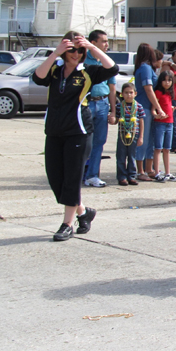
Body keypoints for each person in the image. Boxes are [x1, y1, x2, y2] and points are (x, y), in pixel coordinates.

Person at [32, 31, 118, 241]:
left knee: (71, 178)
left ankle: (67, 224)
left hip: (78, 132)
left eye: (79, 51)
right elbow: (37, 77)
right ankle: (83, 212)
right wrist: (55, 53)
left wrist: (91, 47)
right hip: (54, 131)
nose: (75, 54)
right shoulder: (55, 70)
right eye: (72, 50)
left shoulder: (88, 71)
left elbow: (112, 67)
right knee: (56, 179)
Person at [83, 30, 116, 188]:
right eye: (103, 41)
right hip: (86, 104)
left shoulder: (107, 61)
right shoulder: (83, 59)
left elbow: (112, 87)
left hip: (102, 104)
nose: (106, 44)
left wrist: (113, 110)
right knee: (84, 142)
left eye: (107, 41)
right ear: (93, 43)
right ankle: (80, 173)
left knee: (99, 142)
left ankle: (92, 175)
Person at [134, 43, 166, 181]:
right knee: (143, 139)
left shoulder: (145, 68)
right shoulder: (146, 69)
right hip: (144, 108)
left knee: (150, 140)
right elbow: (148, 89)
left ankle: (149, 168)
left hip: (148, 108)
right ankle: (140, 171)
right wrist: (158, 107)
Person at [114, 83, 144, 186]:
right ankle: (122, 177)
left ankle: (131, 176)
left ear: (135, 93)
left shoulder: (138, 106)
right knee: (121, 156)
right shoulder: (119, 106)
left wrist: (141, 137)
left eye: (131, 93)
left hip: (134, 134)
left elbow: (141, 121)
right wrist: (112, 119)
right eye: (126, 93)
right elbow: (116, 119)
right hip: (122, 134)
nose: (129, 95)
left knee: (132, 156)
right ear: (122, 94)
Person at [152, 71, 176, 182]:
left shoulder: (169, 94)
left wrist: (171, 109)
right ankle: (157, 172)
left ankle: (167, 172)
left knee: (167, 149)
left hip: (169, 123)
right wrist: (157, 115)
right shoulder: (158, 92)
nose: (167, 83)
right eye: (165, 80)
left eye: (169, 80)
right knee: (158, 148)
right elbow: (153, 109)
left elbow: (167, 105)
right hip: (160, 123)